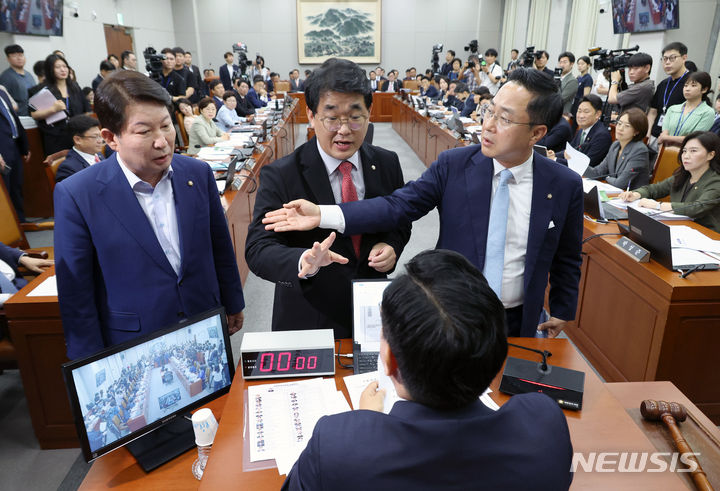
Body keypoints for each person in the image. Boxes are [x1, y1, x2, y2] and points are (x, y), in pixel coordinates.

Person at [263, 68, 584, 339]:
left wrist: (562, 307)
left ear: (537, 133)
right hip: (454, 312)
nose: (487, 124)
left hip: (519, 317)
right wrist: (324, 214)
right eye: (490, 110)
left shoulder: (564, 184)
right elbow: (396, 206)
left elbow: (567, 256)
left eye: (504, 119)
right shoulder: (455, 165)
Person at [282, 250, 574, 491]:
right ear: (497, 353)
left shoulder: (336, 445)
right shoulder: (545, 428)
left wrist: (367, 425)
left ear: (389, 359)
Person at [54, 70, 245, 360]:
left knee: (217, 405)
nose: (162, 141)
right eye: (144, 131)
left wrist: (232, 302)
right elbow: (76, 292)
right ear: (111, 137)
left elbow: (219, 246)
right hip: (136, 341)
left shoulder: (197, 173)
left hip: (205, 323)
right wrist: (90, 363)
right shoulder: (78, 194)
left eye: (166, 126)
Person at [245, 57, 411, 339]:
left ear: (369, 113)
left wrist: (392, 245)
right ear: (311, 115)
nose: (344, 130)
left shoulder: (387, 162)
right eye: (332, 117)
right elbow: (258, 249)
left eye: (355, 117)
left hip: (371, 313)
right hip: (309, 314)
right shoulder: (282, 174)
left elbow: (400, 220)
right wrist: (303, 261)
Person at [619, 131, 720, 232]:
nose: (686, 156)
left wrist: (658, 206)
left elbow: (696, 208)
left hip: (706, 234)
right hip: (679, 228)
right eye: (684, 151)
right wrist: (636, 194)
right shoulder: (683, 175)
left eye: (693, 151)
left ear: (710, 155)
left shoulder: (716, 181)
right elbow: (655, 189)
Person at [30, 54, 91, 155]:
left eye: (65, 66)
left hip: (78, 135)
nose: (63, 70)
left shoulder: (74, 86)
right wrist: (53, 109)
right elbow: (34, 114)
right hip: (56, 139)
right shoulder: (43, 90)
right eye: (58, 67)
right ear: (50, 70)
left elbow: (86, 109)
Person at [584, 108, 650, 189]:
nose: (620, 128)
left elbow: (621, 184)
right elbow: (597, 173)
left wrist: (606, 177)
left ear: (636, 131)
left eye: (627, 126)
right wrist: (577, 162)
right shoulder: (615, 145)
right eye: (619, 123)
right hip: (615, 194)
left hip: (631, 197)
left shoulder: (640, 150)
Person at [550, 94, 612, 168]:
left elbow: (587, 164)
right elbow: (570, 150)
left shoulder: (602, 136)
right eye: (579, 111)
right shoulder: (582, 130)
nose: (581, 116)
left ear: (598, 114)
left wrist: (555, 159)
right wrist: (553, 155)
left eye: (586, 112)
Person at [657, 71, 715, 147]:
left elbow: (694, 138)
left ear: (704, 89)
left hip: (687, 154)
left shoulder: (708, 112)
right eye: (686, 85)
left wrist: (667, 138)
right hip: (665, 151)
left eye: (693, 85)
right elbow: (664, 133)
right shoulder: (672, 109)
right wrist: (665, 137)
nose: (687, 89)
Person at [647, 42, 689, 145]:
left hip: (675, 140)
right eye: (665, 59)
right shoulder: (663, 84)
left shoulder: (692, 82)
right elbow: (653, 112)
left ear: (684, 58)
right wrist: (647, 134)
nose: (667, 62)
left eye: (672, 58)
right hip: (654, 136)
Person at [0, 85, 29, 222]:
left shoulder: (2, 92)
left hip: (14, 145)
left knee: (16, 186)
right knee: (4, 191)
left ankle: (20, 222)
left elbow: (14, 118)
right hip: (2, 149)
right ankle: (8, 227)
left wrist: (24, 146)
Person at [55, 115, 105, 183]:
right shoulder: (68, 169)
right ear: (78, 140)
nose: (100, 140)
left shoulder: (98, 154)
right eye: (95, 137)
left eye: (100, 136)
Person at [0, 44, 35, 116]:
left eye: (21, 55)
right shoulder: (6, 77)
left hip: (33, 115)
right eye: (14, 56)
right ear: (8, 59)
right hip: (19, 117)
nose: (19, 58)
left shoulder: (29, 75)